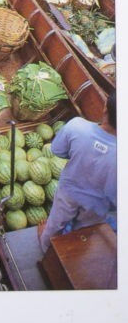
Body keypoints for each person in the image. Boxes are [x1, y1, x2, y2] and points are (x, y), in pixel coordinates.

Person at [38, 91, 117, 253]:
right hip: (99, 203)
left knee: (55, 223)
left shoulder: (77, 126)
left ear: (105, 109)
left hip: (69, 192)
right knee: (85, 232)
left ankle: (46, 249)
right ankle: (74, 254)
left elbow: (58, 150)